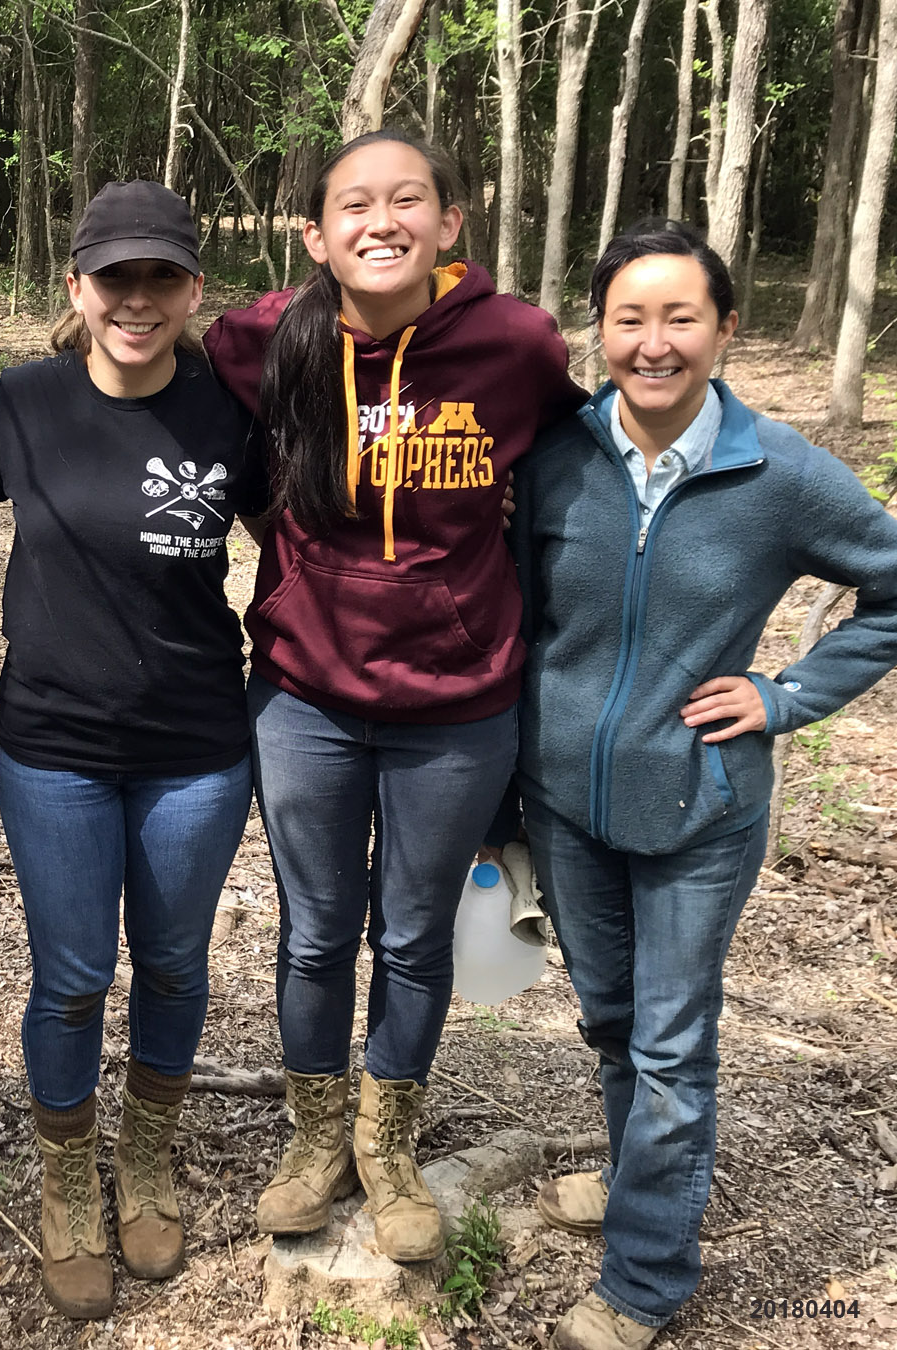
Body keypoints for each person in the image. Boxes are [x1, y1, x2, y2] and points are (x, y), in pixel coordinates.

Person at [512, 220, 897, 1350]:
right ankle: (642, 1180)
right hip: (566, 799)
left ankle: (645, 1275)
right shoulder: (558, 454)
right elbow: (517, 610)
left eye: (681, 317)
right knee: (614, 1019)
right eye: (630, 318)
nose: (654, 342)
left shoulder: (779, 472)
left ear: (726, 329)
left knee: (673, 1043)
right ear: (601, 331)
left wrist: (782, 696)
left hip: (700, 807)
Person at [201, 129, 585, 1260]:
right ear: (316, 236)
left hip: (461, 705)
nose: (382, 221)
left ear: (449, 224)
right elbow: (150, 375)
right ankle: (315, 1141)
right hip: (305, 696)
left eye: (407, 200)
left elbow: (579, 454)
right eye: (353, 205)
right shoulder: (263, 338)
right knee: (317, 934)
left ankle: (388, 1144)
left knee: (415, 937)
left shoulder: (513, 343)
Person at [0, 180, 258, 1319]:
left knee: (174, 966)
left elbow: (307, 551)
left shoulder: (229, 416)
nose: (136, 299)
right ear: (74, 288)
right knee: (73, 978)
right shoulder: (19, 406)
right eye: (112, 277)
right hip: (54, 746)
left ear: (191, 290)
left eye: (159, 277)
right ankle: (69, 1173)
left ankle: (150, 1153)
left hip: (198, 748)